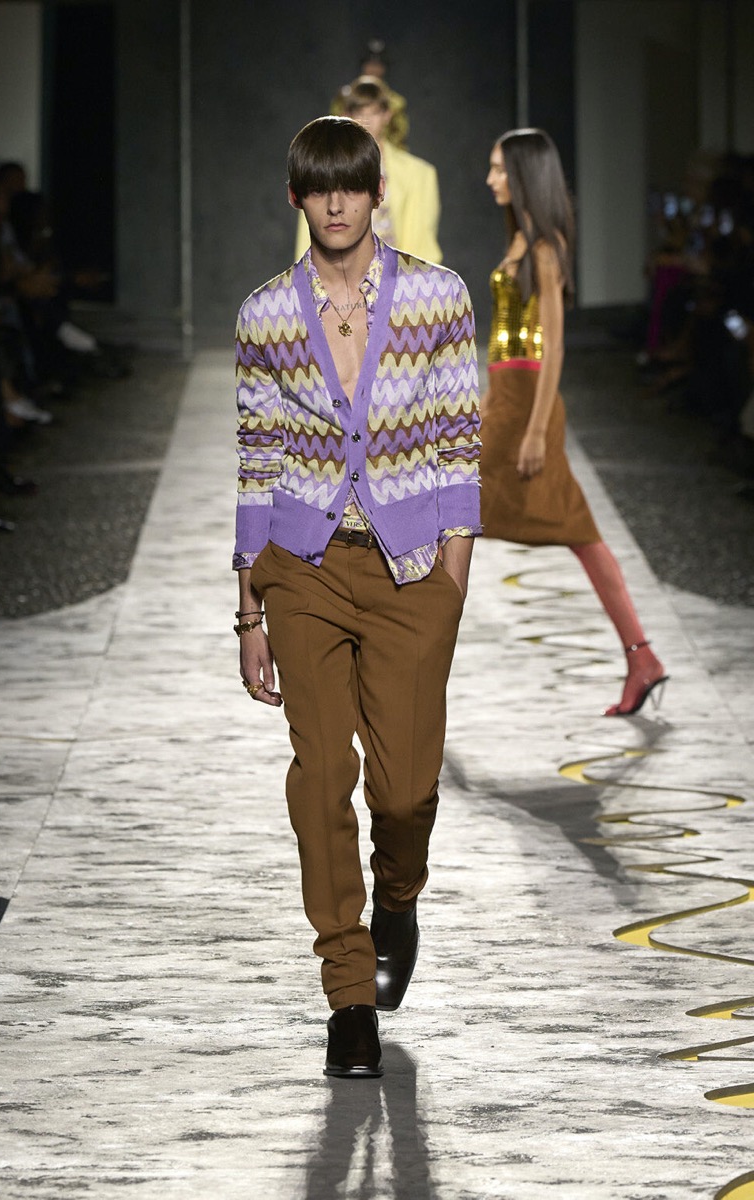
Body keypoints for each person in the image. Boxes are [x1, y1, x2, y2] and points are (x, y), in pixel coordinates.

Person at [234, 116, 481, 1078]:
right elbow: (256, 462)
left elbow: (460, 441)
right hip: (303, 564)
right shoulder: (265, 314)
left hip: (413, 570)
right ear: (298, 197)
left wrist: (452, 582)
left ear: (378, 193)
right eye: (318, 186)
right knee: (321, 775)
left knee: (406, 789)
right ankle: (348, 992)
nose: (336, 203)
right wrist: (250, 610)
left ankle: (399, 895)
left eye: (351, 185)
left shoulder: (438, 297)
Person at [480, 128, 667, 716]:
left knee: (455, 518)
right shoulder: (520, 239)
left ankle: (408, 668)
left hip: (527, 407)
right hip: (505, 401)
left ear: (524, 175)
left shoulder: (543, 247)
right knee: (568, 535)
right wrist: (489, 401)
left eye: (499, 169)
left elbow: (553, 347)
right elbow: (507, 341)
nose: (490, 179)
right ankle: (642, 657)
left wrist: (536, 429)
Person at [295, 76, 442, 264]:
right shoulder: (321, 170)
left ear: (387, 115)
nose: (366, 120)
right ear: (347, 115)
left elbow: (423, 245)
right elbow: (309, 237)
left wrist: (415, 280)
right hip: (337, 274)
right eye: (359, 112)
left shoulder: (419, 174)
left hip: (400, 277)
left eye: (374, 112)